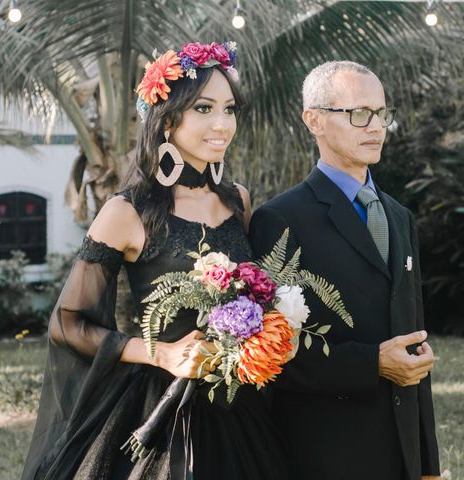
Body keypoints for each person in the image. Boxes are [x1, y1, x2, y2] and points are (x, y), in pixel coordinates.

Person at [22, 42, 288, 480]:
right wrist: (160, 354)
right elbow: (66, 323)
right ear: (166, 121)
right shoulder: (127, 212)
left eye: (229, 109)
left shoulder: (237, 200)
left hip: (240, 403)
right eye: (204, 109)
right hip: (160, 409)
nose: (222, 124)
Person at [249, 61, 441, 480]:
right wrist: (371, 363)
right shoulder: (279, 220)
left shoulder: (400, 216)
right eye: (359, 114)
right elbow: (272, 358)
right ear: (313, 120)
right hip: (325, 453)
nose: (375, 127)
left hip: (402, 453)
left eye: (382, 113)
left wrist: (428, 462)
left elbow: (415, 338)